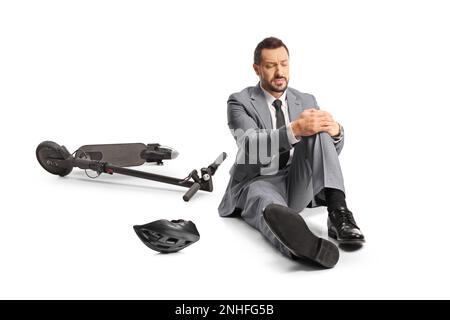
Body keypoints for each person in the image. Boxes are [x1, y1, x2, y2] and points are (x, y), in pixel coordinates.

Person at [218, 37, 365, 268]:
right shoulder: (239, 102)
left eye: (284, 64)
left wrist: (336, 132)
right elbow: (250, 146)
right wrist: (294, 129)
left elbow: (325, 153)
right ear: (256, 69)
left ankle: (338, 212)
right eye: (270, 65)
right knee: (266, 203)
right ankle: (299, 246)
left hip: (297, 182)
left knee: (318, 129)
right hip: (258, 180)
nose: (279, 72)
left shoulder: (306, 99)